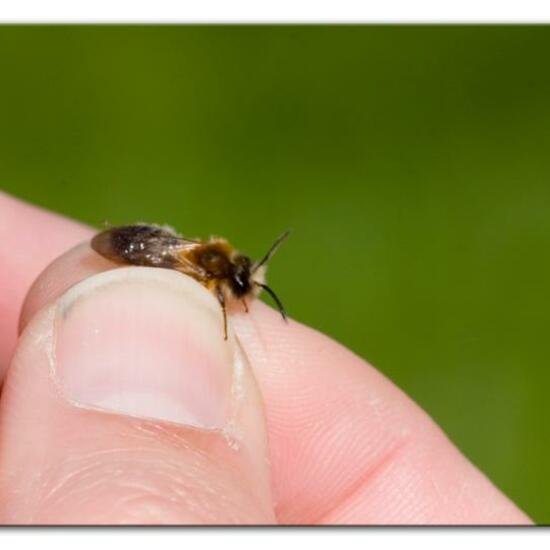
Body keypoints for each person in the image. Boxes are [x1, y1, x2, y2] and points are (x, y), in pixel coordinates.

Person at [0, 191, 531, 525]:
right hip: (132, 254)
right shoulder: (194, 271)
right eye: (239, 287)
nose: (245, 293)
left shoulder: (212, 263)